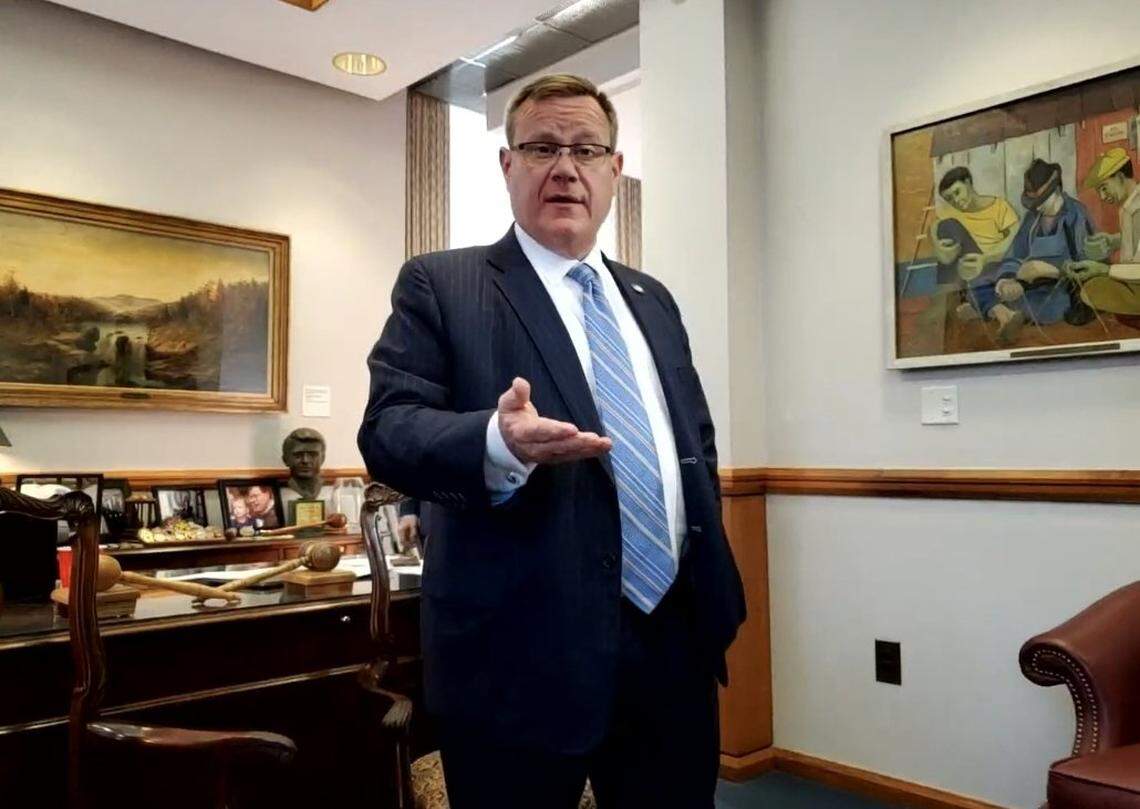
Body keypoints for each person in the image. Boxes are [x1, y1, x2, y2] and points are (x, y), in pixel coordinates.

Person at [358, 73, 745, 809]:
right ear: (508, 166)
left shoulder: (652, 299)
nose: (565, 167)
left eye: (586, 149)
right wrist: (496, 441)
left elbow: (693, 441)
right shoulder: (443, 285)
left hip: (671, 647)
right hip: (517, 658)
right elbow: (389, 430)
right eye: (541, 147)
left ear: (614, 170)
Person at [962, 159, 1096, 339]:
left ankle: (990, 309)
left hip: (1059, 289)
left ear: (1056, 191)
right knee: (976, 281)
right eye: (1033, 202)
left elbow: (1088, 265)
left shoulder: (1076, 213)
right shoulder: (1032, 218)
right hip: (1025, 284)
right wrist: (1007, 280)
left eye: (1041, 200)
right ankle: (1003, 313)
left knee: (1042, 306)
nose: (1037, 207)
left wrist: (1051, 270)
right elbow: (1015, 254)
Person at [1066, 147, 1140, 317]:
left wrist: (1104, 270)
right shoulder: (1130, 205)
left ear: (1121, 178)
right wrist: (1112, 240)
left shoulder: (1137, 209)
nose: (1101, 196)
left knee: (1090, 290)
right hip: (1130, 281)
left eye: (1104, 188)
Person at [930, 166, 1019, 286]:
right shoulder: (951, 211)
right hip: (965, 265)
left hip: (992, 262)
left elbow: (1016, 239)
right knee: (946, 225)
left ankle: (954, 289)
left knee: (949, 225)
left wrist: (985, 259)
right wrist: (936, 245)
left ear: (968, 183)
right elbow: (934, 225)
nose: (955, 200)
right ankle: (950, 290)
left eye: (957, 192)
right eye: (949, 199)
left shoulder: (999, 206)